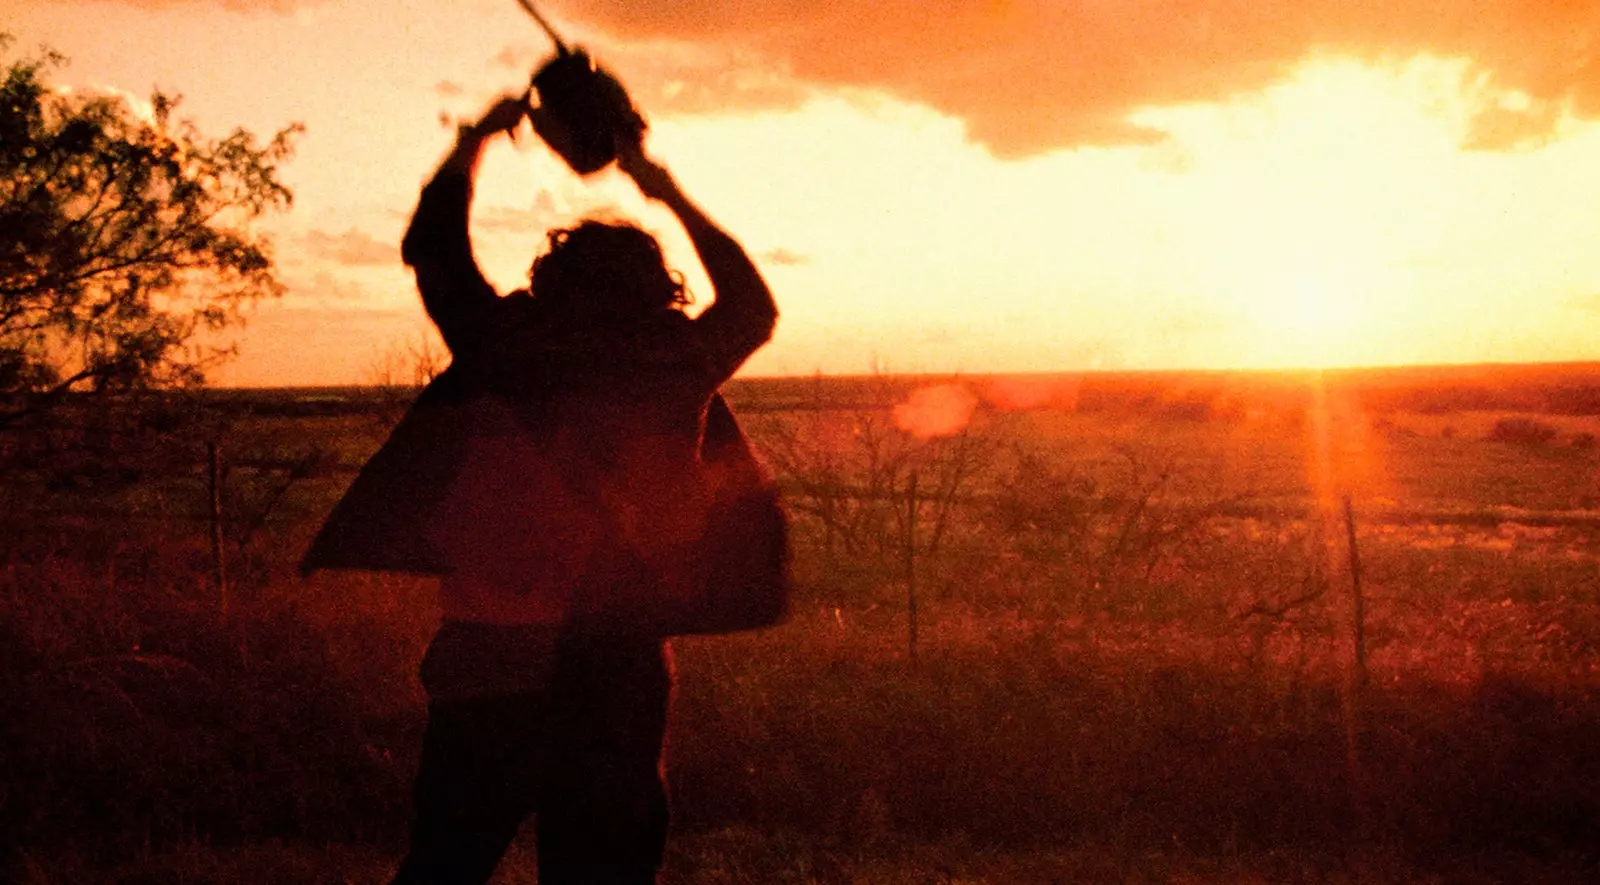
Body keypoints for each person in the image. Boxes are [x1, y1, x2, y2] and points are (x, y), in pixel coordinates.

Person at [305, 93, 777, 884]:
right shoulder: (675, 364)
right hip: (619, 659)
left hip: (487, 651)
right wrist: (654, 181)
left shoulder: (504, 348)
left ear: (549, 285)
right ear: (657, 293)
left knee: (444, 865)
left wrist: (472, 145)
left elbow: (435, 250)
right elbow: (753, 303)